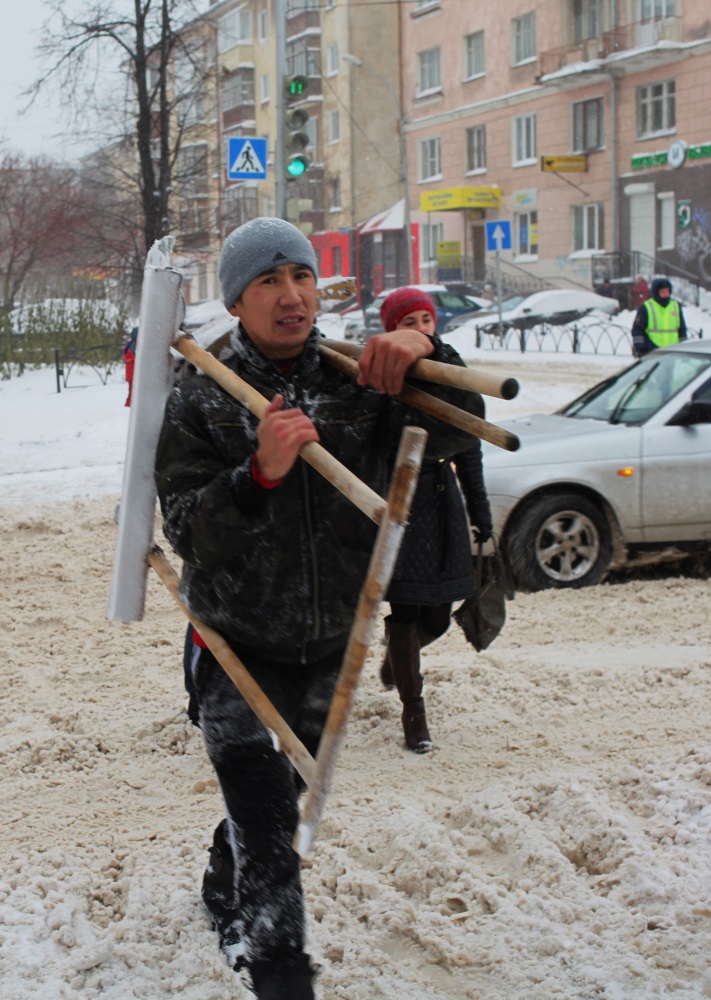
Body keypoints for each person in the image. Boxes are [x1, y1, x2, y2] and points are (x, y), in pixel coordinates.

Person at [156, 217, 475, 999]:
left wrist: (431, 353)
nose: (292, 296)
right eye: (268, 282)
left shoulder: (359, 378)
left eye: (300, 275)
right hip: (232, 639)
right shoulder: (202, 394)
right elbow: (190, 529)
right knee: (269, 815)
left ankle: (221, 874)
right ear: (236, 301)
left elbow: (453, 438)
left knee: (284, 795)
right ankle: (279, 971)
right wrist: (257, 474)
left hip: (333, 635)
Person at [373, 286, 491, 753]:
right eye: (409, 323)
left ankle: (399, 655)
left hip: (442, 505)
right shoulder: (378, 373)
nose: (421, 329)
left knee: (439, 618)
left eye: (426, 319)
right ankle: (413, 717)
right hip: (400, 504)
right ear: (390, 332)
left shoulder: (450, 367)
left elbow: (472, 441)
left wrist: (480, 513)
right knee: (405, 609)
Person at [630, 277, 687, 358]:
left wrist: (684, 345)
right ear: (656, 292)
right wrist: (640, 348)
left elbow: (682, 328)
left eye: (667, 291)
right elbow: (638, 329)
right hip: (652, 349)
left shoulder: (675, 306)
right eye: (662, 292)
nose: (665, 294)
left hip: (673, 349)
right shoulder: (646, 307)